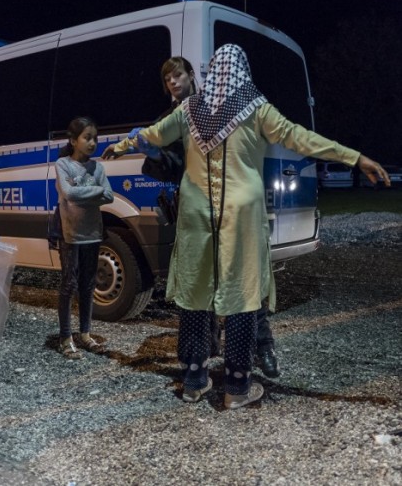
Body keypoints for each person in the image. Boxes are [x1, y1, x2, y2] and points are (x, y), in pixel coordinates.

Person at [103, 44, 389, 409]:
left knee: (195, 290)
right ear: (242, 70)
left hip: (195, 214)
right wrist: (355, 157)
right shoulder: (255, 108)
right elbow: (300, 137)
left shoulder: (190, 109)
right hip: (242, 214)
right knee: (241, 294)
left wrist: (122, 146)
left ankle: (193, 379)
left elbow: (152, 135)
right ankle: (237, 387)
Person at [107, 56, 283, 377]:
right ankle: (207, 351)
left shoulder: (217, 106)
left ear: (191, 75)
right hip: (196, 213)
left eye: (178, 75)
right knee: (201, 286)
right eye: (167, 79)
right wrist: (155, 153)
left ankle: (262, 348)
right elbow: (172, 169)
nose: (173, 82)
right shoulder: (170, 117)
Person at [55, 117, 114, 359]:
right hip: (70, 234)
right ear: (73, 140)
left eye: (95, 138)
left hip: (92, 233)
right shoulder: (63, 164)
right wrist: (97, 191)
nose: (92, 143)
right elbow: (68, 193)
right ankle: (65, 337)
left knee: (88, 285)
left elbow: (109, 196)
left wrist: (90, 192)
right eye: (87, 138)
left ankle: (85, 333)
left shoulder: (98, 167)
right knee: (69, 284)